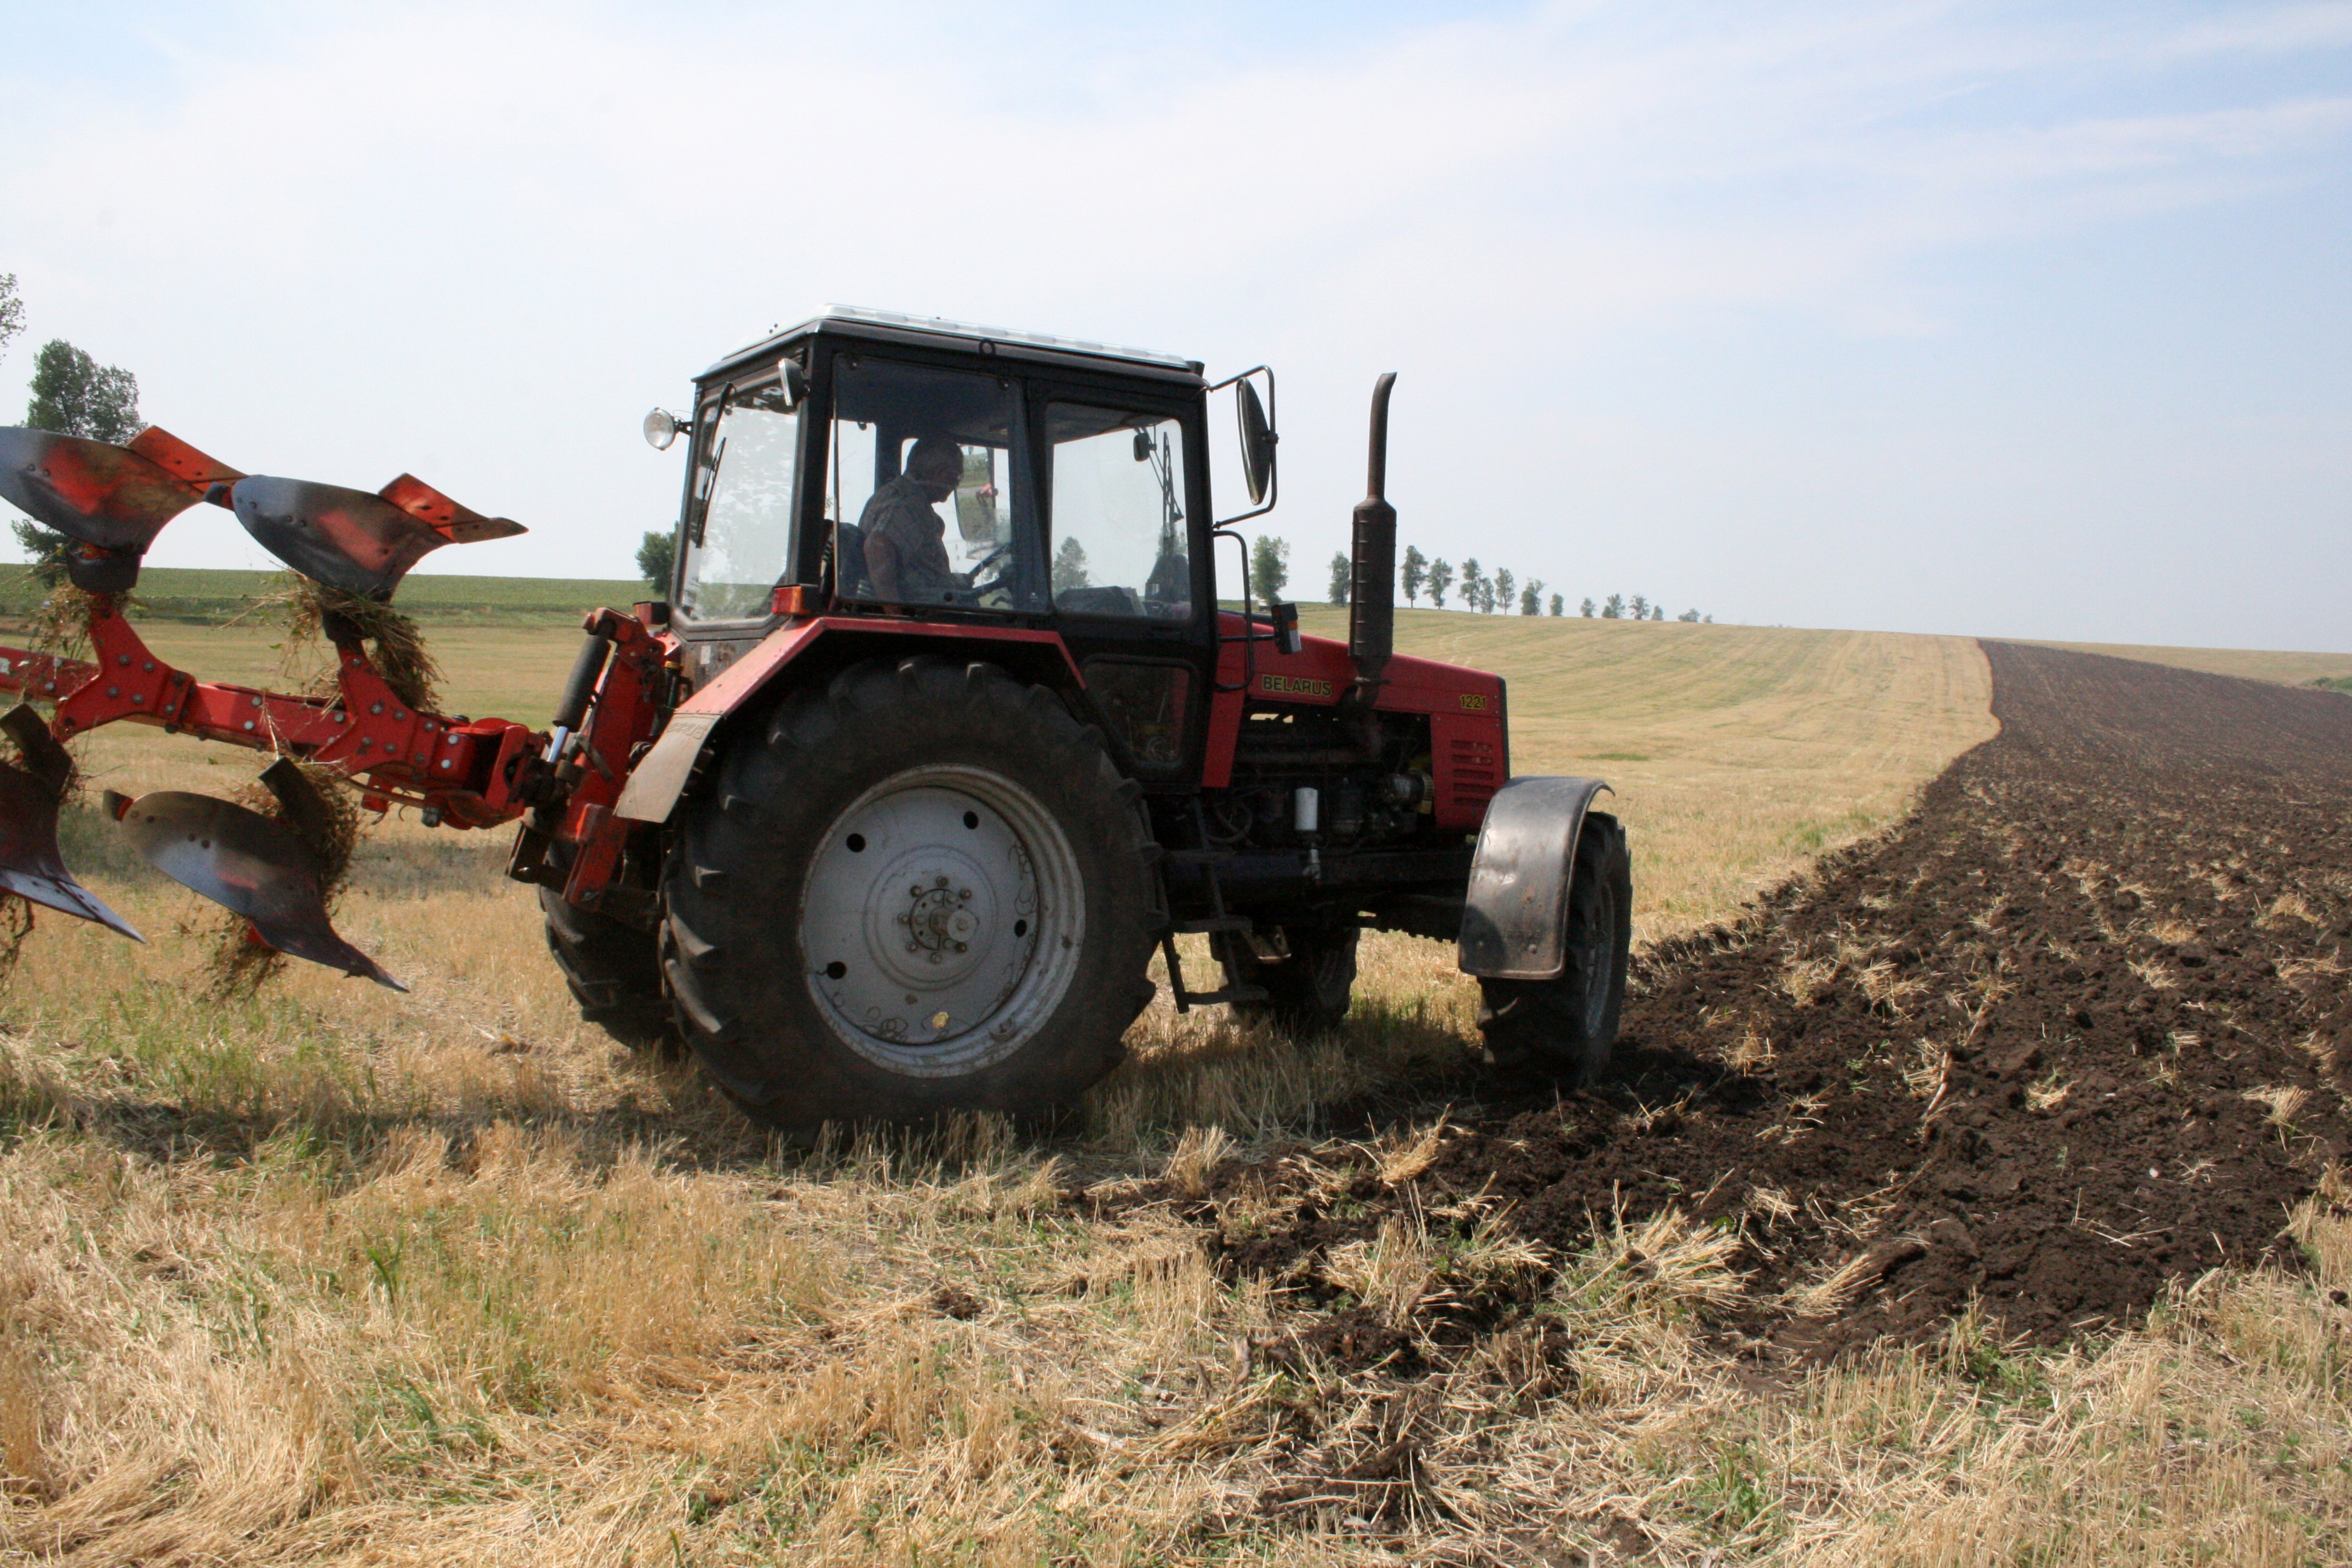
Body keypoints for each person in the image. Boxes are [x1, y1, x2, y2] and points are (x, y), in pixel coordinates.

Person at [860, 436, 964, 603]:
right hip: (921, 617)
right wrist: (895, 617)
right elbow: (877, 545)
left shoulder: (905, 498)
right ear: (939, 471)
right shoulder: (907, 502)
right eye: (956, 476)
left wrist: (952, 582)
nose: (956, 484)